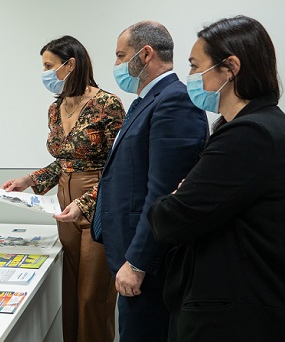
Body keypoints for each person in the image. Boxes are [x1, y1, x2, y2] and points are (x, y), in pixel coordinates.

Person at [147, 15, 285, 341]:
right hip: (240, 304)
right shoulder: (258, 125)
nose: (190, 76)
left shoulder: (250, 135)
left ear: (230, 68)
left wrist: (175, 198)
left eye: (195, 66)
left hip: (237, 316)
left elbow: (170, 220)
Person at [80, 21, 208, 341]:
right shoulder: (145, 101)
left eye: (121, 56)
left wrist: (138, 262)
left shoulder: (175, 101)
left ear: (145, 54)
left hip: (149, 265)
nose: (116, 65)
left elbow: (163, 194)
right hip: (130, 256)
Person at [3, 35, 124, 342]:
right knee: (70, 293)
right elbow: (65, 162)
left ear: (70, 65)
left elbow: (120, 168)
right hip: (64, 207)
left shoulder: (106, 105)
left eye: (48, 65)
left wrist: (85, 204)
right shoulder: (56, 108)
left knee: (91, 296)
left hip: (98, 204)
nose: (44, 73)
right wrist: (29, 180)